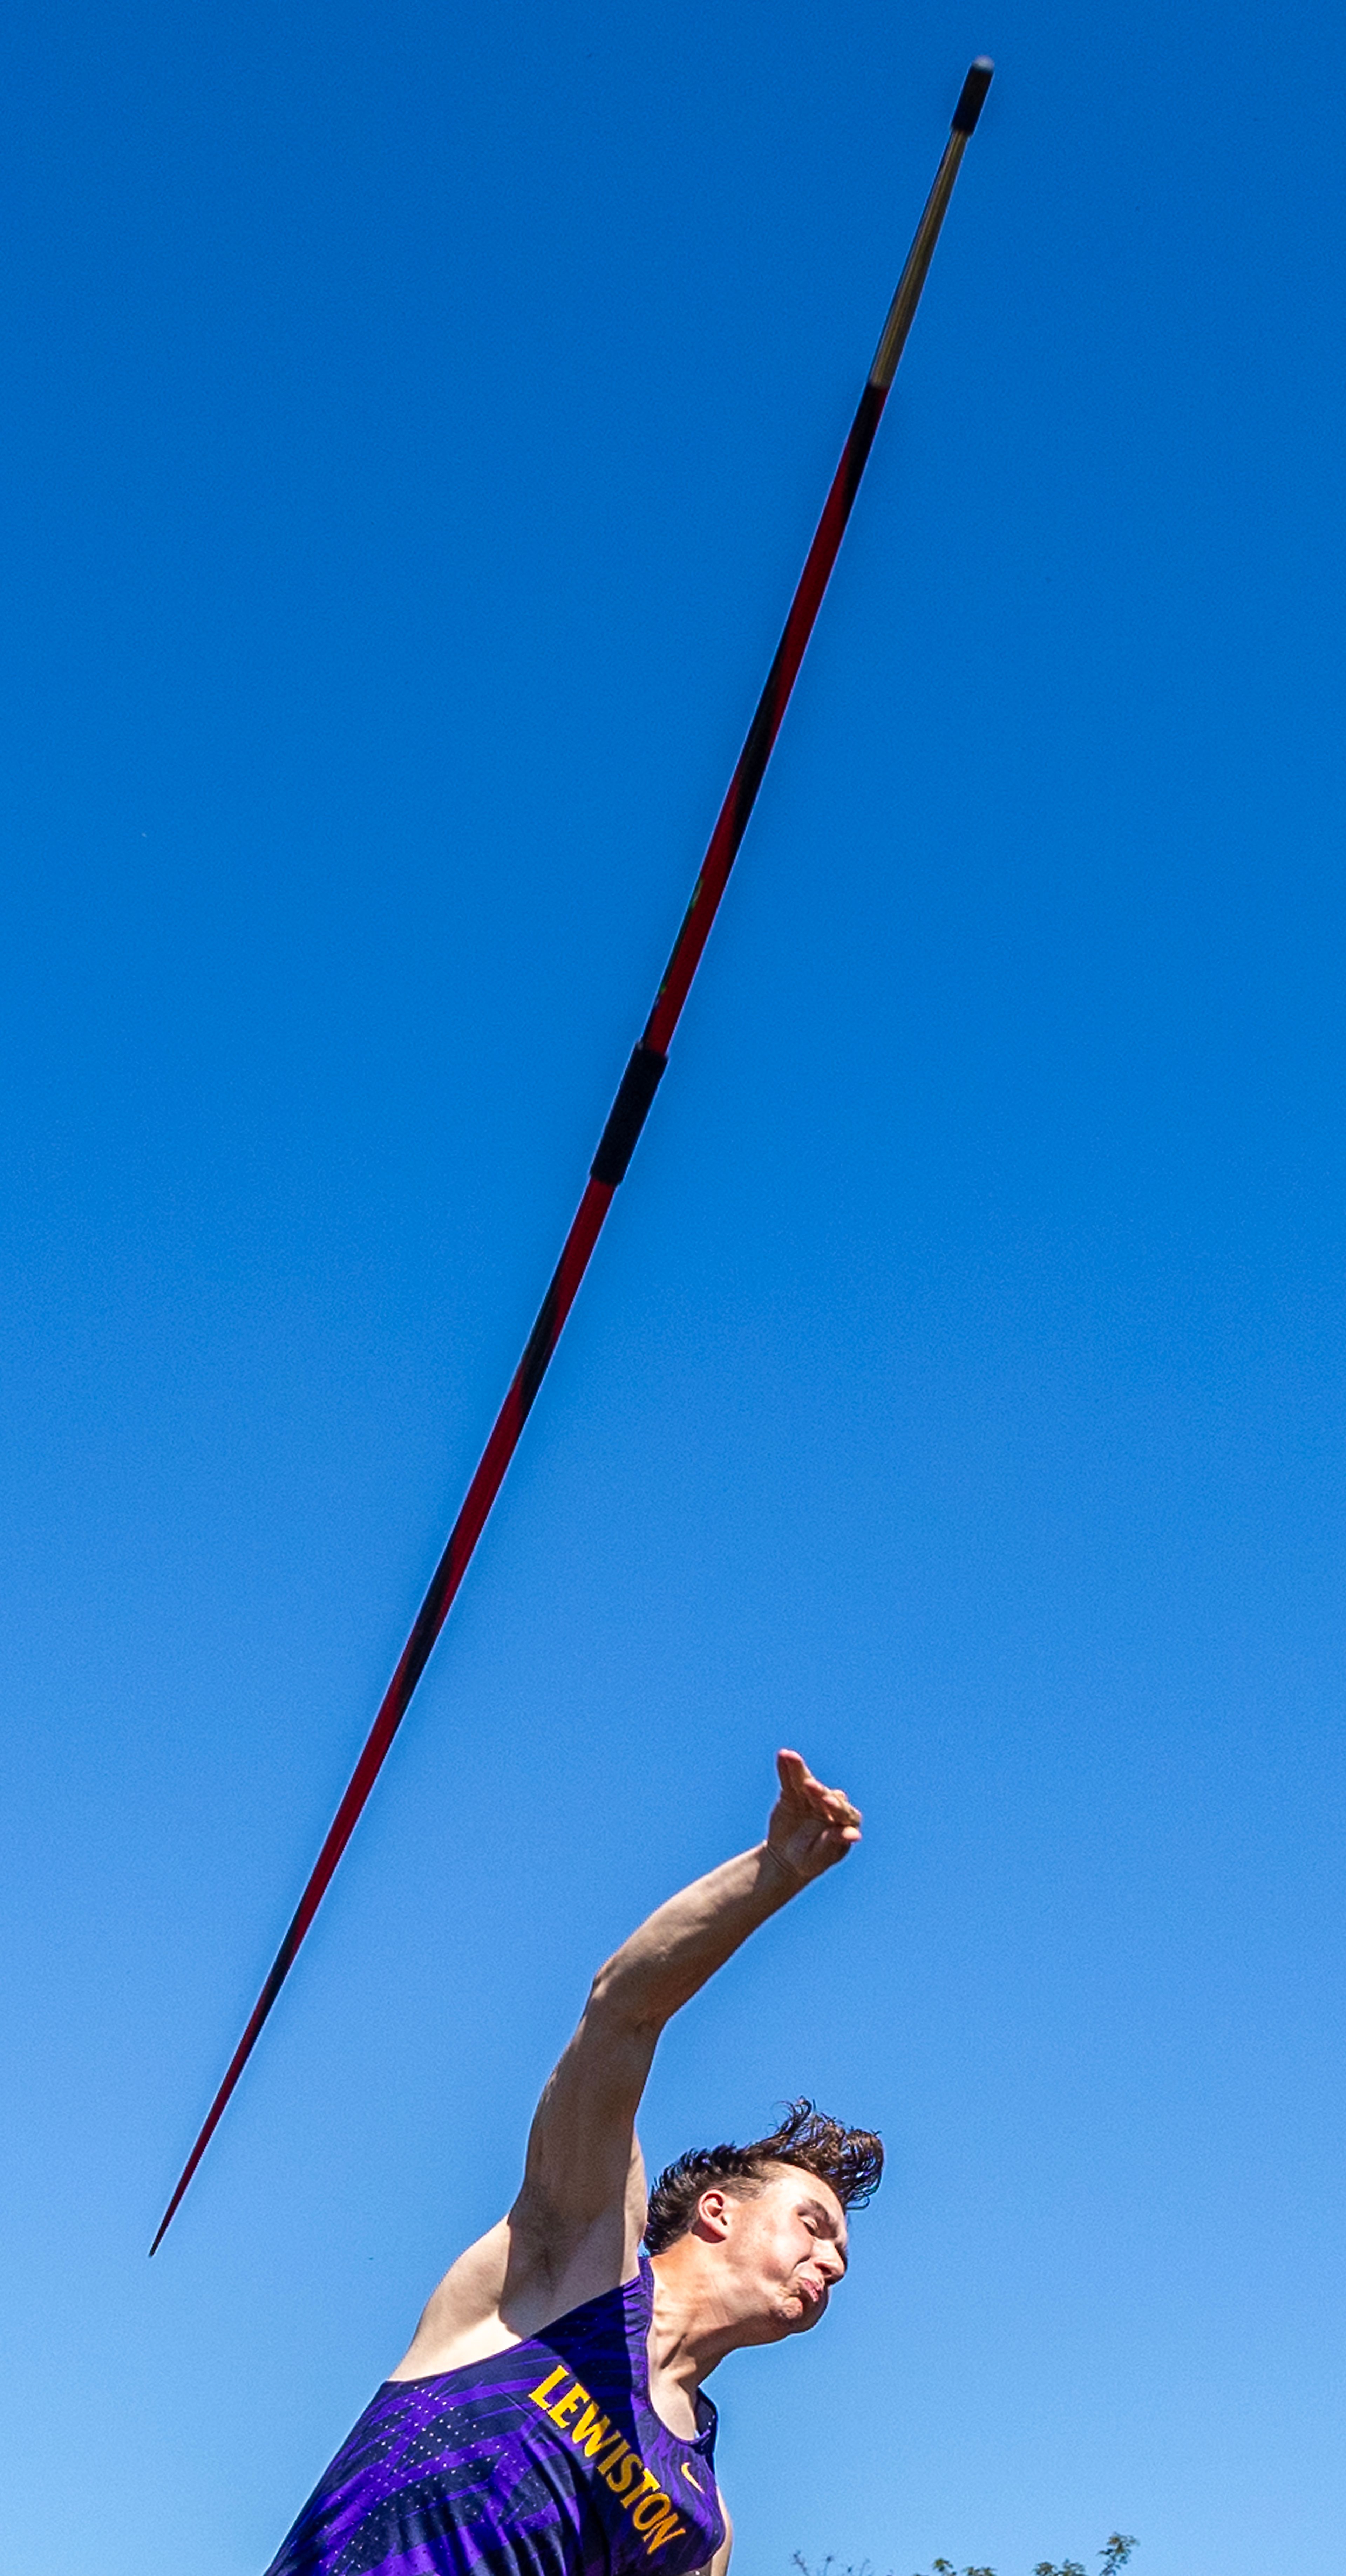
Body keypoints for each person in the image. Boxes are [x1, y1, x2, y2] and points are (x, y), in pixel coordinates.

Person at [265, 1748, 883, 2576]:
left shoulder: (702, 2522)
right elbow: (621, 2012)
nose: (835, 2261)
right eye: (814, 2225)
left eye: (841, 2247)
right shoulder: (575, 2269)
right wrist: (773, 1872)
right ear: (717, 2212)